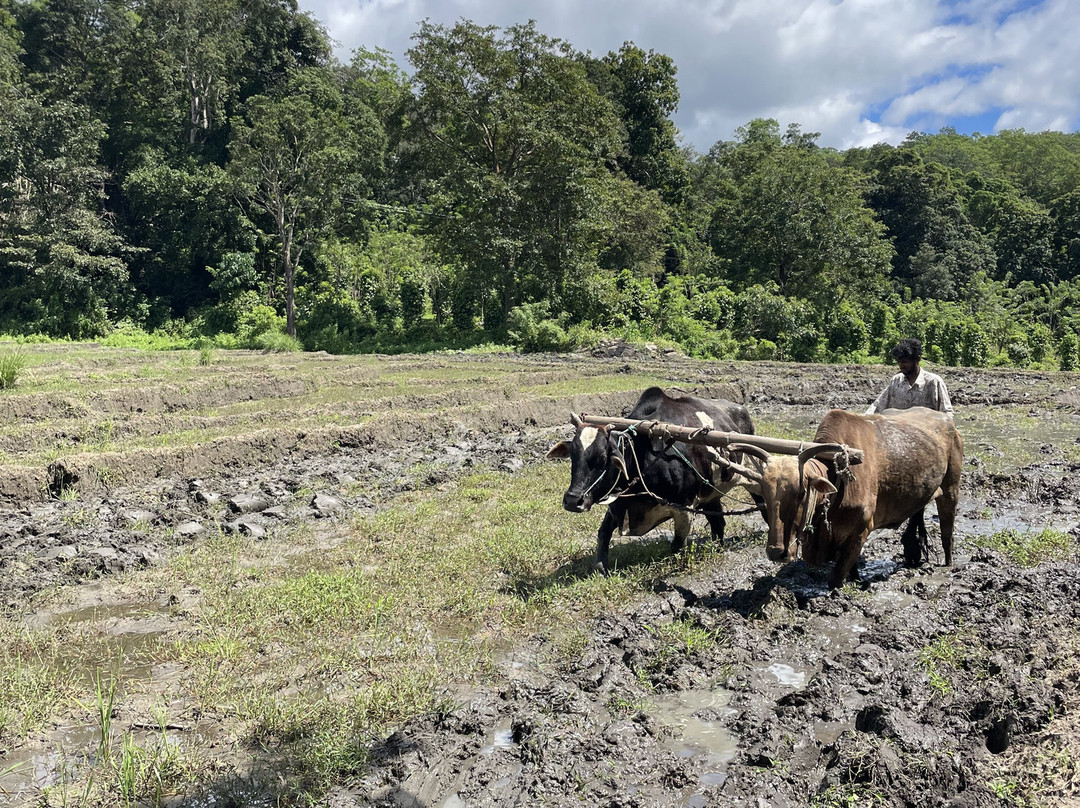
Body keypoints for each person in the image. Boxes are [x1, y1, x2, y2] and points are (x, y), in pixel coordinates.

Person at [866, 338, 953, 419]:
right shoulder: (896, 382)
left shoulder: (933, 382)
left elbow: (947, 413)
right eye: (899, 362)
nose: (901, 366)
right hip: (899, 431)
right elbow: (877, 407)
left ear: (917, 359)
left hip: (925, 431)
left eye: (905, 362)